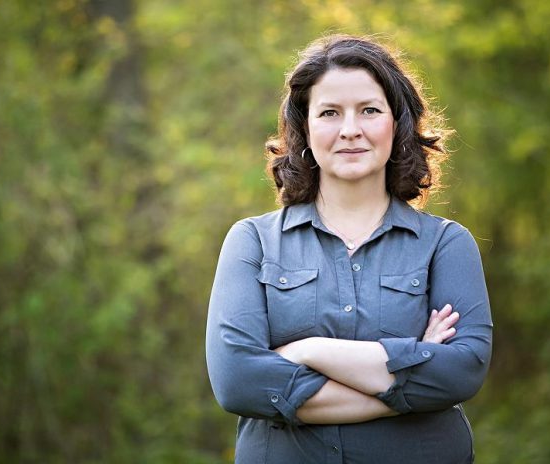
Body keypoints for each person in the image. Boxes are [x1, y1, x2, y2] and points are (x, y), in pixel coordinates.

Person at [206, 34, 493, 464]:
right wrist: (411, 376)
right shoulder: (252, 242)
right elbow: (237, 382)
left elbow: (461, 371)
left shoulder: (446, 245)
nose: (350, 130)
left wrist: (307, 352)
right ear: (304, 127)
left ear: (396, 124)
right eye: (329, 113)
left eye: (370, 110)